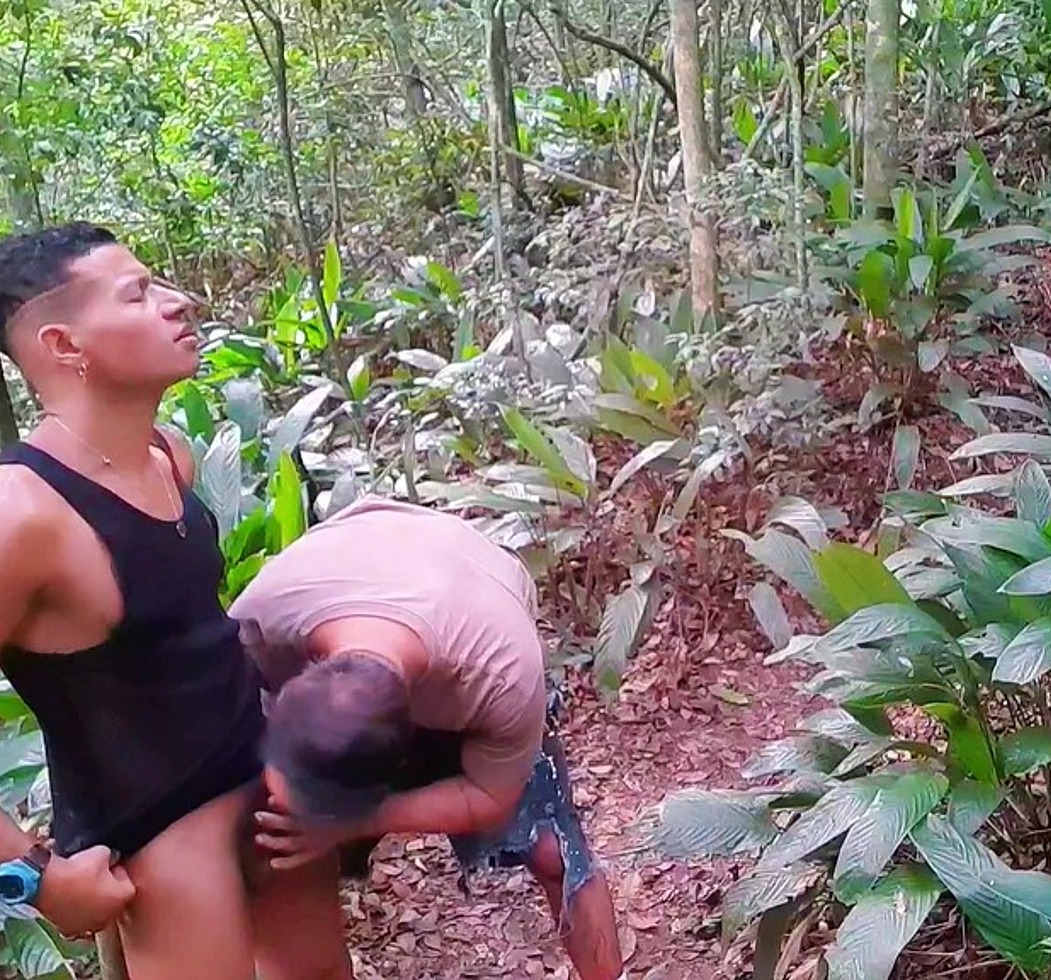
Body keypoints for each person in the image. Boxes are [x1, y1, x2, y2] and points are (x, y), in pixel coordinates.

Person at [0, 224, 351, 980]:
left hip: (265, 793)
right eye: (140, 293)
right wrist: (33, 875)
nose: (178, 302)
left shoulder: (168, 453)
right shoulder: (21, 513)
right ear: (65, 346)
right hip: (162, 842)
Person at [229, 496, 628, 980]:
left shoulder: (500, 675)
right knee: (275, 843)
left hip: (474, 590)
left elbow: (489, 794)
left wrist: (352, 824)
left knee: (554, 851)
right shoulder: (264, 620)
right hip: (376, 561)